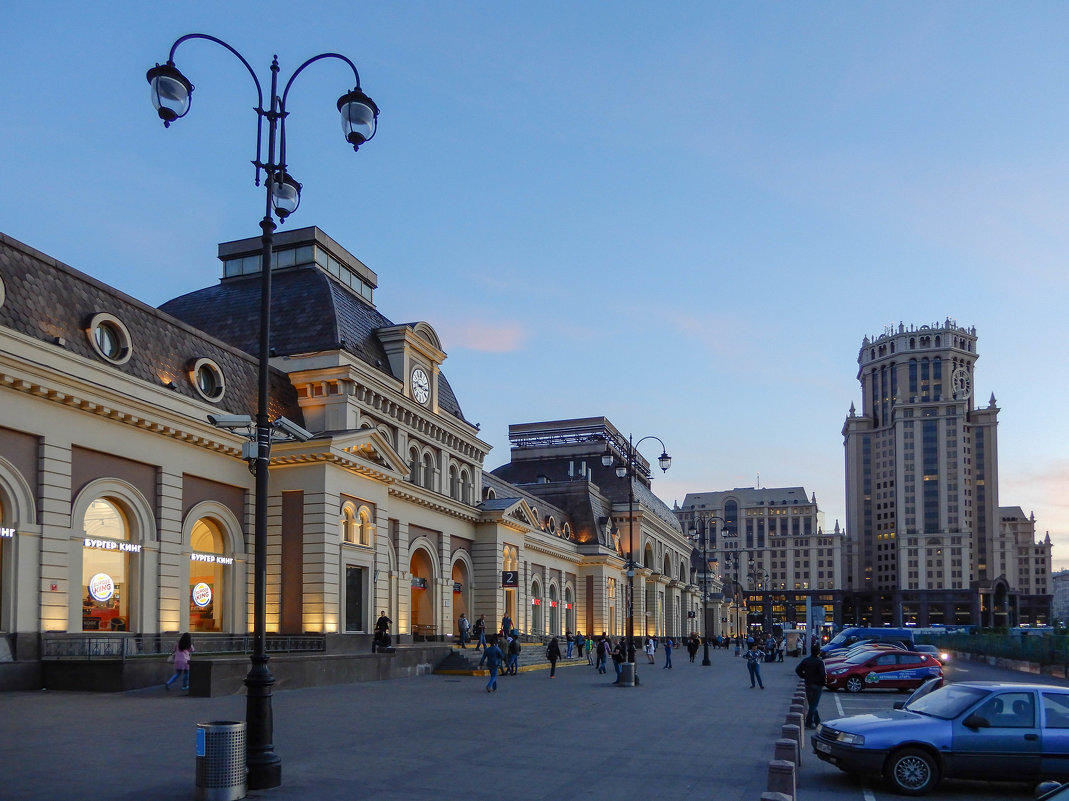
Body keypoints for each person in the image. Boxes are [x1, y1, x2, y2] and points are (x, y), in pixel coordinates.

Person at [795, 643, 827, 728]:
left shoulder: (806, 660)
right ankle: (808, 722)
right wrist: (823, 683)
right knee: (814, 705)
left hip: (808, 684)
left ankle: (817, 721)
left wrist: (804, 676)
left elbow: (797, 670)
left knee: (812, 704)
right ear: (818, 652)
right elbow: (823, 674)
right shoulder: (819, 662)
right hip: (817, 686)